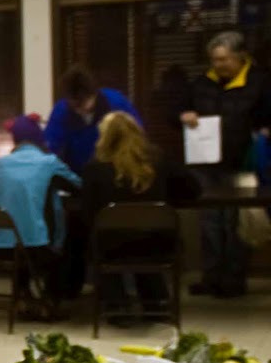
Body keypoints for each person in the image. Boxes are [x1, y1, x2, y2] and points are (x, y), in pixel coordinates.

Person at [81, 111, 199, 324]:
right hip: (158, 245)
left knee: (104, 238)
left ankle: (117, 306)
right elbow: (193, 189)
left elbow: (88, 213)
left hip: (111, 248)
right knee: (145, 238)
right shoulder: (159, 160)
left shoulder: (94, 169)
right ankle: (156, 303)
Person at [180, 30, 271, 298]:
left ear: (240, 56)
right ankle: (210, 277)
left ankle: (233, 279)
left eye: (224, 60)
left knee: (236, 223)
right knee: (210, 222)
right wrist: (184, 115)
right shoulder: (200, 83)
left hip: (242, 163)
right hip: (205, 164)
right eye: (214, 60)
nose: (218, 65)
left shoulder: (260, 82)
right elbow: (177, 112)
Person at [0, 115, 82, 321]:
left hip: (3, 248)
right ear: (39, 140)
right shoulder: (49, 162)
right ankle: (49, 301)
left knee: (20, 242)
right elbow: (78, 185)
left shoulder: (1, 164)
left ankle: (22, 297)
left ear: (15, 141)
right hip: (41, 248)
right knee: (63, 247)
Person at [43, 66, 139, 174]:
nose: (80, 110)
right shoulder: (61, 111)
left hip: (115, 173)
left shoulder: (116, 103)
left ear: (94, 94)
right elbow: (51, 150)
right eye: (75, 106)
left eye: (83, 103)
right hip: (77, 176)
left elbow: (136, 137)